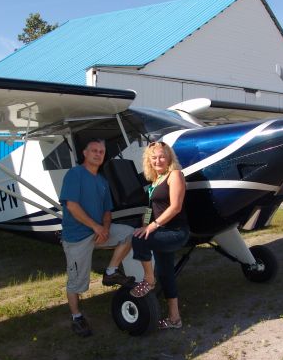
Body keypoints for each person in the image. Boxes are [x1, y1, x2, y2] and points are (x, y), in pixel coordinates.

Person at [60, 138, 135, 337]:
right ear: (85, 153)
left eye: (101, 151)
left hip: (98, 231)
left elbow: (107, 211)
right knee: (77, 283)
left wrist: (106, 228)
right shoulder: (75, 174)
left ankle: (111, 272)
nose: (98, 154)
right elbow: (72, 206)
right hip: (77, 236)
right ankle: (76, 317)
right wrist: (96, 227)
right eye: (94, 150)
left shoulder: (102, 181)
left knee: (129, 233)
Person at [130, 141, 189, 329]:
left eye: (162, 156)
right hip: (162, 231)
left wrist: (152, 227)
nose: (158, 160)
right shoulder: (154, 181)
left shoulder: (175, 175)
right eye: (153, 157)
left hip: (177, 232)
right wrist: (145, 225)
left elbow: (175, 207)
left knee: (139, 240)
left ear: (169, 157)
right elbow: (149, 209)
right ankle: (175, 319)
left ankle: (148, 279)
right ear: (149, 161)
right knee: (166, 274)